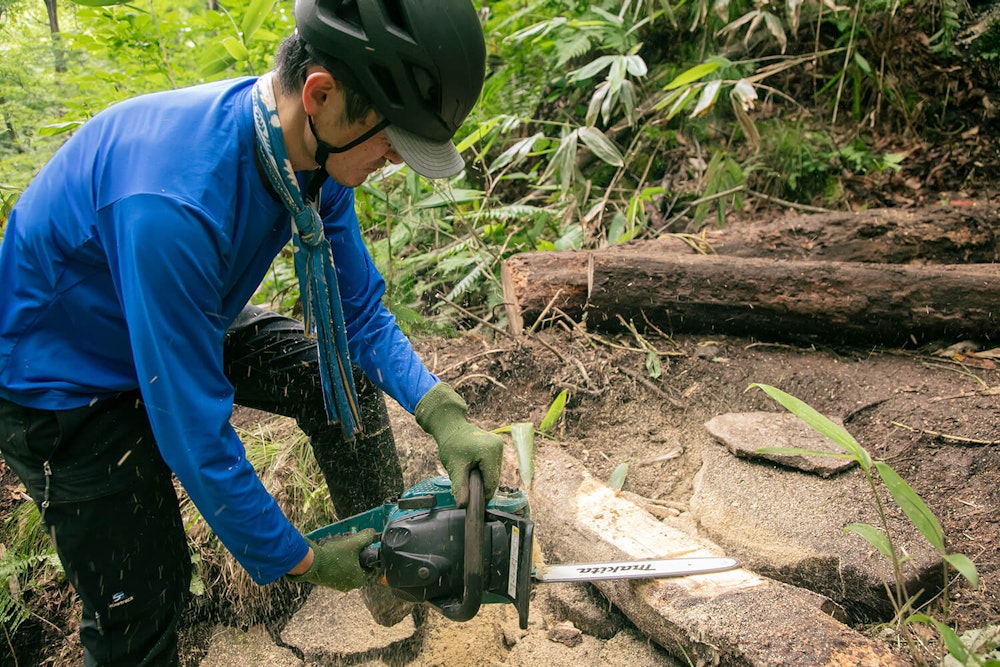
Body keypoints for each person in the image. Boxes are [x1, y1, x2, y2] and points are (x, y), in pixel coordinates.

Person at [0, 0, 504, 664]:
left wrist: (442, 412)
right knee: (146, 602)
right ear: (321, 93)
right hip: (63, 378)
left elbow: (355, 316)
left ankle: (394, 574)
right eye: (392, 142)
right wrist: (301, 560)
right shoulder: (174, 203)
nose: (396, 160)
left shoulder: (316, 156)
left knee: (335, 382)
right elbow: (193, 433)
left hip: (174, 312)